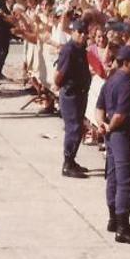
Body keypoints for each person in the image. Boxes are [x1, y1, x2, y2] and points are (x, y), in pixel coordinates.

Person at [98, 45, 130, 245]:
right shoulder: (126, 83)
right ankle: (122, 227)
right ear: (127, 62)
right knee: (126, 180)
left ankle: (113, 219)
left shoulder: (111, 80)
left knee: (113, 176)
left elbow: (99, 106)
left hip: (112, 135)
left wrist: (102, 124)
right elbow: (120, 114)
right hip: (122, 135)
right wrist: (110, 127)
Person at [54, 19, 92, 178]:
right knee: (73, 128)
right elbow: (59, 74)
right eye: (79, 32)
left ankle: (72, 160)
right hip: (71, 93)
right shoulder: (69, 50)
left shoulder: (80, 48)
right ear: (73, 32)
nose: (83, 35)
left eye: (85, 33)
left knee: (78, 128)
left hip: (80, 92)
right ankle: (67, 163)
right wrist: (60, 85)